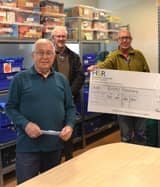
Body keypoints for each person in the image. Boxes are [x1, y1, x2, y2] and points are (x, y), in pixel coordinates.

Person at [5, 39, 76, 184]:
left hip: (54, 146)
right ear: (33, 56)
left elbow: (70, 107)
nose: (45, 57)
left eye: (49, 53)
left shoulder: (61, 80)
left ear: (54, 56)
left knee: (51, 183)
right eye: (41, 53)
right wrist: (25, 124)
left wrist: (69, 125)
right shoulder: (20, 79)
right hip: (28, 147)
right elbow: (10, 107)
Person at [87, 29, 150, 145]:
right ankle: (126, 160)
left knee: (141, 134)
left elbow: (147, 73)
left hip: (139, 102)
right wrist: (96, 68)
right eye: (122, 38)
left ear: (131, 40)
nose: (125, 40)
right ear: (117, 40)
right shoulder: (114, 56)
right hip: (123, 102)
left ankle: (141, 160)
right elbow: (104, 65)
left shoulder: (138, 55)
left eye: (127, 38)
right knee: (126, 135)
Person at [51, 26, 85, 160]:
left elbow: (80, 76)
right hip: (52, 100)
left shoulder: (74, 56)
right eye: (58, 36)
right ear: (53, 38)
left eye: (63, 36)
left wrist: (70, 93)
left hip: (70, 98)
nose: (61, 39)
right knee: (54, 130)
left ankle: (69, 157)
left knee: (69, 128)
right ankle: (55, 159)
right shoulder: (47, 55)